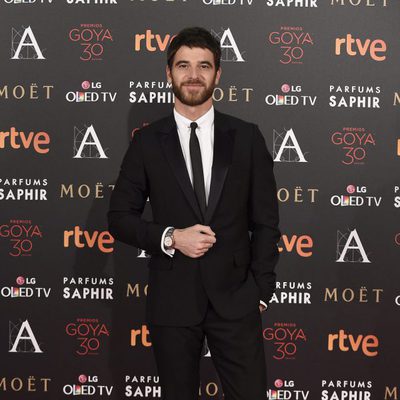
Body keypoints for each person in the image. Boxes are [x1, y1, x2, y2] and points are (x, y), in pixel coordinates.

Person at [108, 26, 281, 400]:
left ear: (218, 74)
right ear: (168, 72)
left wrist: (261, 290)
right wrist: (171, 237)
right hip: (173, 299)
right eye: (183, 65)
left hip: (236, 299)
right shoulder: (147, 141)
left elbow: (266, 221)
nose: (193, 75)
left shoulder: (247, 137)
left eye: (204, 66)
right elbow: (120, 216)